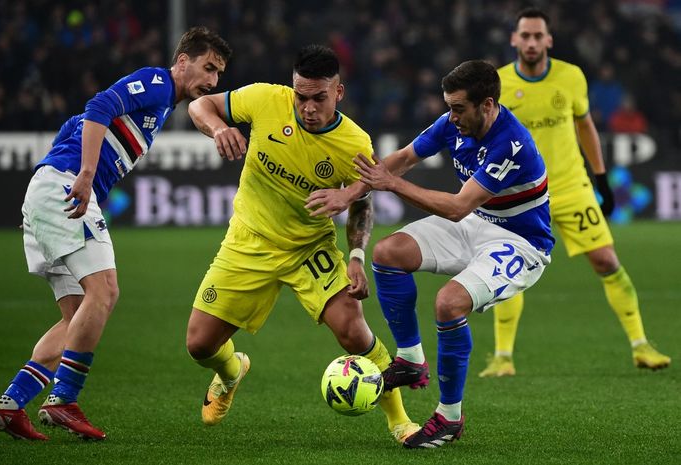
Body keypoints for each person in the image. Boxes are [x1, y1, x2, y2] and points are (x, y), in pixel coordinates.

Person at [0, 27, 232, 441]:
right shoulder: (157, 82)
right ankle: (63, 400)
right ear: (183, 61)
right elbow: (98, 106)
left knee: (78, 315)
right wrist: (81, 175)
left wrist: (37, 200)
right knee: (106, 292)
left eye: (219, 74)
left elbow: (72, 126)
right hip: (68, 188)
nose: (212, 81)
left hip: (51, 190)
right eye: (208, 68)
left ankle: (10, 404)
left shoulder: (163, 105)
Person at [307, 59, 554, 449]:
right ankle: (409, 359)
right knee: (389, 252)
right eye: (448, 106)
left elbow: (458, 206)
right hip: (477, 222)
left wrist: (391, 186)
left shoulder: (512, 143)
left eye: (459, 108)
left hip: (520, 241)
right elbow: (402, 159)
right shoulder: (451, 125)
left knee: (448, 304)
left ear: (487, 105)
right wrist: (349, 193)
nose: (451, 116)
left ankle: (450, 418)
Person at [184, 44, 419, 444]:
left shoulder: (352, 142)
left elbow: (362, 203)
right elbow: (199, 106)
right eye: (301, 96)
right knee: (200, 345)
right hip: (250, 239)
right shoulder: (263, 99)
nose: (308, 107)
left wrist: (358, 256)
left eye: (319, 98)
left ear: (338, 93)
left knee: (353, 331)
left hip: (310, 247)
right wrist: (220, 128)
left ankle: (400, 421)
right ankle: (231, 371)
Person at [479, 7, 670, 378]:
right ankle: (502, 357)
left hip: (570, 187)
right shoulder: (497, 85)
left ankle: (641, 345)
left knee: (606, 261)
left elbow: (586, 127)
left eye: (538, 36)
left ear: (548, 40)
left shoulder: (571, 77)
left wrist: (601, 179)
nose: (532, 42)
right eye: (526, 35)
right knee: (509, 269)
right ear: (514, 39)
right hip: (520, 196)